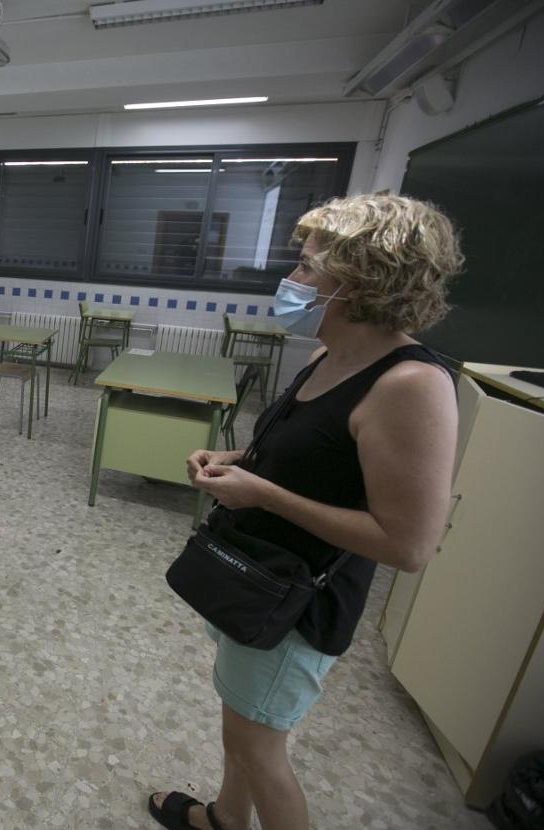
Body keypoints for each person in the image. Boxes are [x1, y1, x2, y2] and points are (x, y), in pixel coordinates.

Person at [149, 193, 465, 830]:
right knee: (242, 729)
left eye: (308, 268)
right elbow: (307, 454)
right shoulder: (329, 355)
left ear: (362, 279)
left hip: (298, 605)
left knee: (259, 750)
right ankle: (226, 819)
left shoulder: (410, 385)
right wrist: (236, 458)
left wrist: (261, 492)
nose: (291, 281)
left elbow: (407, 545)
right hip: (255, 577)